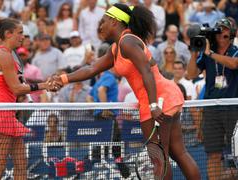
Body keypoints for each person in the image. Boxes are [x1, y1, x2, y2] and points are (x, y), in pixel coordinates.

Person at [49, 3, 200, 179]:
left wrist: (153, 105)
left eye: (103, 21)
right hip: (166, 96)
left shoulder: (127, 42)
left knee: (159, 158)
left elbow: (147, 73)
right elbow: (91, 68)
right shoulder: (118, 47)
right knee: (177, 153)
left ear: (114, 22)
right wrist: (63, 79)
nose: (100, 26)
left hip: (157, 101)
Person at [0, 17, 53, 180]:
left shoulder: (1, 54)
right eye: (20, 33)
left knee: (21, 163)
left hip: (8, 114)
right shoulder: (3, 55)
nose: (23, 37)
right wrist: (44, 85)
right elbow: (16, 88)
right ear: (8, 34)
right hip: (0, 113)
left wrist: (6, 80)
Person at [187, 17, 238, 180]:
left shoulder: (235, 50)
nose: (221, 32)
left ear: (231, 34)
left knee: (237, 153)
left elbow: (234, 64)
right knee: (213, 154)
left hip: (233, 108)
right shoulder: (206, 52)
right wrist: (194, 53)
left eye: (224, 30)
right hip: (212, 109)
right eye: (218, 30)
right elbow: (191, 74)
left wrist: (210, 53)